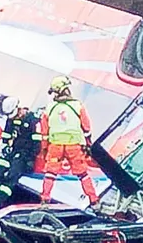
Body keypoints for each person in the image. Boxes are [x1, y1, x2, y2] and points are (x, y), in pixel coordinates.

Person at [40, 76, 100, 206]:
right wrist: (88, 144)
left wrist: (45, 149)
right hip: (74, 146)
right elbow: (87, 128)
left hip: (55, 146)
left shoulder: (49, 109)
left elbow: (44, 133)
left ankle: (45, 200)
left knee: (50, 173)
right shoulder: (78, 106)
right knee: (83, 174)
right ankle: (94, 201)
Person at [0, 97, 42, 209]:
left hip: (24, 154)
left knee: (12, 175)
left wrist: (30, 159)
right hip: (11, 151)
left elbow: (37, 142)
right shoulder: (11, 119)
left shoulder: (32, 121)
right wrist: (5, 145)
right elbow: (6, 134)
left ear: (19, 108)